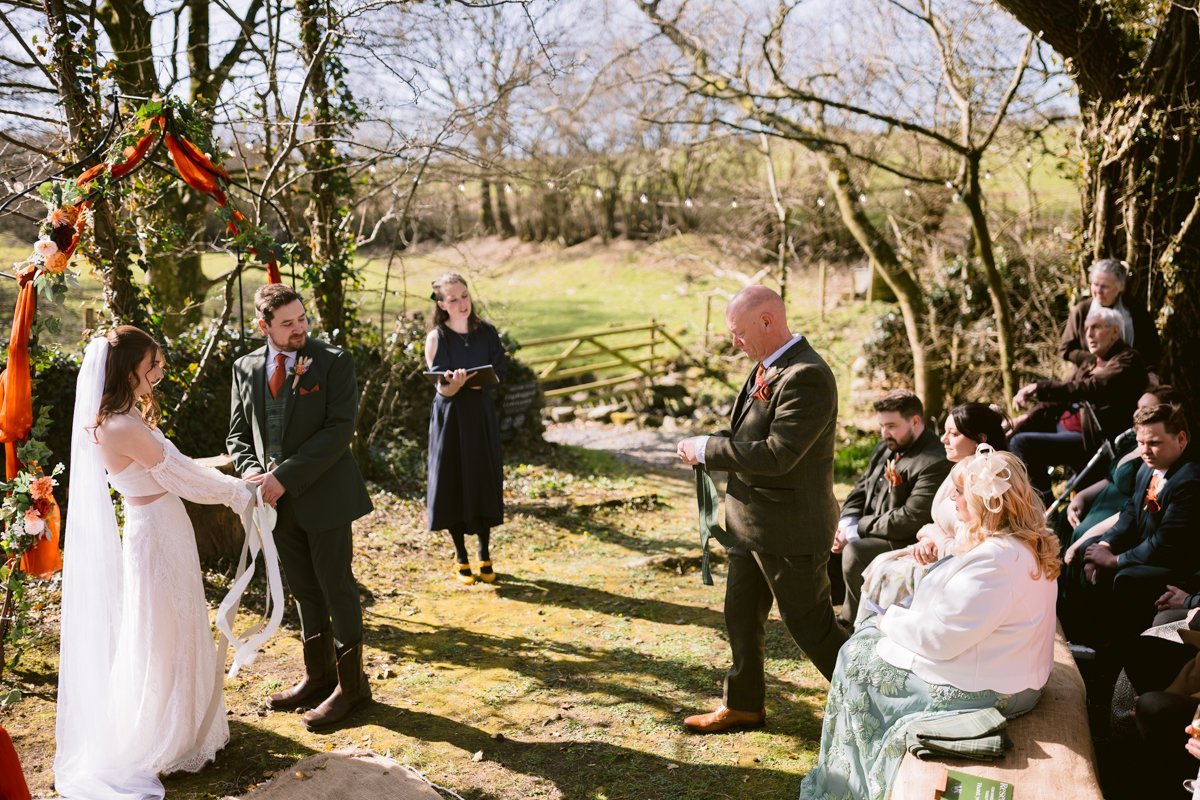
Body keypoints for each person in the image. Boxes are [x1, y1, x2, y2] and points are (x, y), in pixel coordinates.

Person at [54, 328, 270, 799]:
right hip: (155, 533)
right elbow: (181, 478)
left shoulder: (124, 414)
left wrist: (240, 481)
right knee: (162, 628)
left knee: (178, 618)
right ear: (127, 367)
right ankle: (165, 734)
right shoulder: (120, 425)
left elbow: (184, 466)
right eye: (152, 364)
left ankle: (191, 720)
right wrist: (238, 494)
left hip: (163, 526)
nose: (159, 372)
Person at [799, 447, 1060, 800]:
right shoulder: (1013, 545)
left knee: (855, 664)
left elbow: (940, 639)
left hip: (995, 686)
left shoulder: (998, 560)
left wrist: (888, 618)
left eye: (960, 491)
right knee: (859, 647)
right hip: (1002, 668)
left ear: (986, 502)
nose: (952, 497)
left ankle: (849, 786)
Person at [675, 285, 846, 733]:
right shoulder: (766, 366)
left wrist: (710, 450)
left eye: (738, 332)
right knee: (741, 614)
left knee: (813, 628)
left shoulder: (807, 374)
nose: (735, 342)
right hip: (748, 523)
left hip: (791, 528)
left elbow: (777, 454)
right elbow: (750, 435)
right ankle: (744, 704)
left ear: (768, 321)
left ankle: (874, 701)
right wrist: (708, 445)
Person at [228, 283, 375, 730]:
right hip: (275, 505)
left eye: (302, 319)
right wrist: (254, 474)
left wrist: (283, 477)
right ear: (264, 326)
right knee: (304, 591)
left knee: (337, 588)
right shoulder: (245, 367)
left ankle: (353, 689)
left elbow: (338, 430)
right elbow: (237, 434)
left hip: (325, 497)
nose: (299, 329)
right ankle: (318, 676)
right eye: (287, 323)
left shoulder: (332, 361)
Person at [858, 402, 1008, 621]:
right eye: (944, 432)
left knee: (889, 574)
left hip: (961, 568)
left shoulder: (985, 481)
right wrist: (928, 538)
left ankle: (883, 634)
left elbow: (973, 547)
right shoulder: (958, 469)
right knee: (882, 564)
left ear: (981, 439)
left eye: (953, 434)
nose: (943, 440)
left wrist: (933, 535)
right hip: (939, 552)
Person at [1073, 403, 1200, 648]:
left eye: (1154, 442)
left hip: (1178, 564)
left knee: (1126, 577)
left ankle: (1124, 652)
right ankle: (1088, 638)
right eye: (1140, 442)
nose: (1145, 450)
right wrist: (1104, 545)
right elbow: (1131, 512)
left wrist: (1113, 560)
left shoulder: (1190, 480)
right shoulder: (1148, 468)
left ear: (1181, 439)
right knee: (1086, 550)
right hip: (1149, 549)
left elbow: (1165, 543)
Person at [830, 390, 952, 626]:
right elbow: (860, 488)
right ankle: (830, 610)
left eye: (892, 426)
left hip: (905, 539)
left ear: (915, 421)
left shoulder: (934, 460)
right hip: (874, 528)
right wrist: (846, 522)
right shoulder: (886, 446)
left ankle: (854, 621)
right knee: (828, 531)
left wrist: (857, 529)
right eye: (882, 426)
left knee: (855, 552)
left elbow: (910, 518)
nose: (885, 433)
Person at [1011, 305, 1148, 499]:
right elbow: (1060, 398)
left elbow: (1091, 387)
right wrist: (1025, 418)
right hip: (1064, 428)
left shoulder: (1128, 360)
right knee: (1013, 433)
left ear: (1115, 331)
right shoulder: (1091, 361)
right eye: (1086, 330)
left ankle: (1042, 507)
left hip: (1090, 439)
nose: (1089, 335)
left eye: (1096, 328)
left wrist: (1040, 388)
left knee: (1022, 443)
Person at [424, 272, 508, 586]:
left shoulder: (487, 332)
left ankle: (485, 553)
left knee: (482, 477)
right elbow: (438, 387)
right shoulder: (437, 338)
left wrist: (478, 381)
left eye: (465, 295)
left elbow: (500, 372)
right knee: (453, 480)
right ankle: (461, 556)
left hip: (480, 414)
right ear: (442, 304)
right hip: (450, 417)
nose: (462, 303)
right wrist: (453, 386)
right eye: (454, 298)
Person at [1060, 385, 1187, 564]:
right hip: (1114, 512)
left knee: (1084, 541)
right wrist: (1081, 496)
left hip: (1122, 522)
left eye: (1146, 409)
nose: (1137, 413)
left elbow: (1162, 538)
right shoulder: (1143, 462)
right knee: (1068, 524)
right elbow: (1121, 494)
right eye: (1138, 406)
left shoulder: (1180, 473)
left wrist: (1114, 559)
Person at [1060, 258, 1160, 371]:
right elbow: (1066, 349)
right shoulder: (1082, 311)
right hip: (1089, 378)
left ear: (1120, 287)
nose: (1098, 291)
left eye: (1104, 287)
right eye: (1095, 284)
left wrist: (1150, 372)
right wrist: (1094, 361)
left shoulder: (1135, 311)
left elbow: (1152, 349)